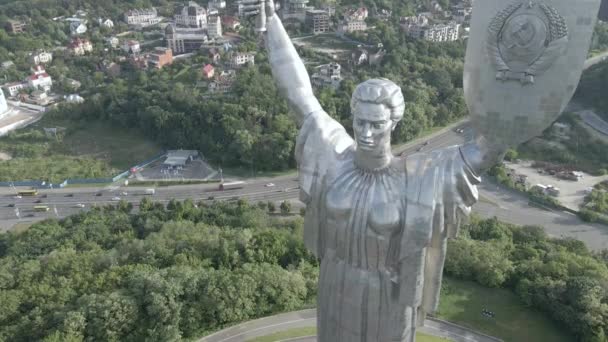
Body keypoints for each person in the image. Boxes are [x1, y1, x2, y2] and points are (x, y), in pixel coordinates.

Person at [243, 1, 504, 341]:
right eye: (360, 122)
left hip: (388, 294)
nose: (366, 133)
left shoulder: (420, 177)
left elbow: (486, 150)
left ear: (393, 123)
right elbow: (298, 94)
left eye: (376, 125)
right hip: (336, 281)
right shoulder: (333, 153)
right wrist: (272, 25)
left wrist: (512, 84)